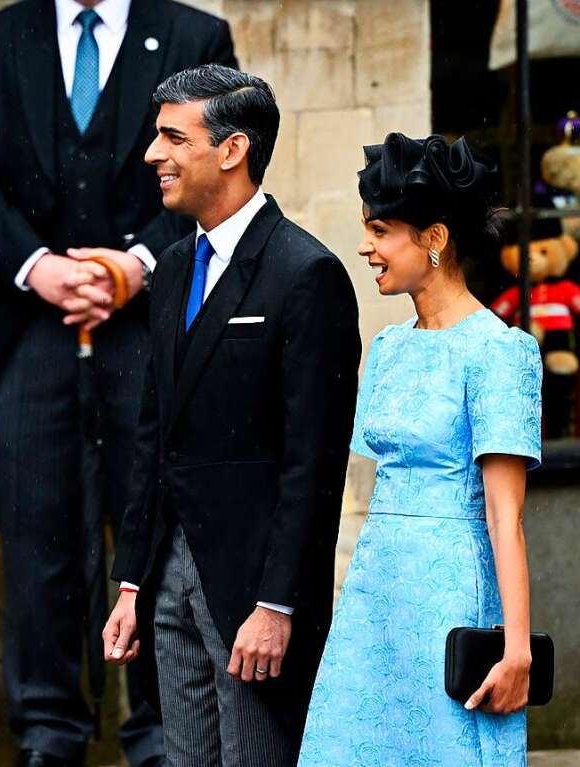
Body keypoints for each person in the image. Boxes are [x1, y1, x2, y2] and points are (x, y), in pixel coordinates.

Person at [0, 2, 235, 766]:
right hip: (28, 332)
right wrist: (41, 268)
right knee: (36, 539)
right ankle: (47, 733)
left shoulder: (194, 37)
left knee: (160, 539)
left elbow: (222, 174)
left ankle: (164, 734)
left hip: (152, 331)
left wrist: (133, 266)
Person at [102, 64, 361, 767]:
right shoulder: (174, 269)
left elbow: (314, 463)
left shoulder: (307, 273)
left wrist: (278, 605)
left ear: (232, 149)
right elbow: (154, 439)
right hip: (167, 589)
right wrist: (131, 582)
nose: (153, 154)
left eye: (172, 136)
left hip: (255, 601)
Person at [298, 133, 541, 767]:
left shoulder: (500, 351)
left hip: (452, 592)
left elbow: (504, 517)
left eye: (380, 231)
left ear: (433, 238)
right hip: (376, 592)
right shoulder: (388, 349)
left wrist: (517, 649)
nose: (364, 248)